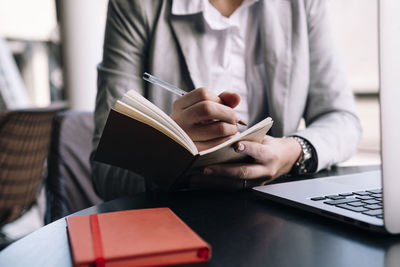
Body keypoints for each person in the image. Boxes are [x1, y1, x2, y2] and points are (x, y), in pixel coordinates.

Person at [91, 0, 361, 200]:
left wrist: (294, 151)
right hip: (175, 221)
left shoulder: (302, 4)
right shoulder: (135, 6)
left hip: (279, 212)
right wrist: (168, 154)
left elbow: (343, 120)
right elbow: (106, 173)